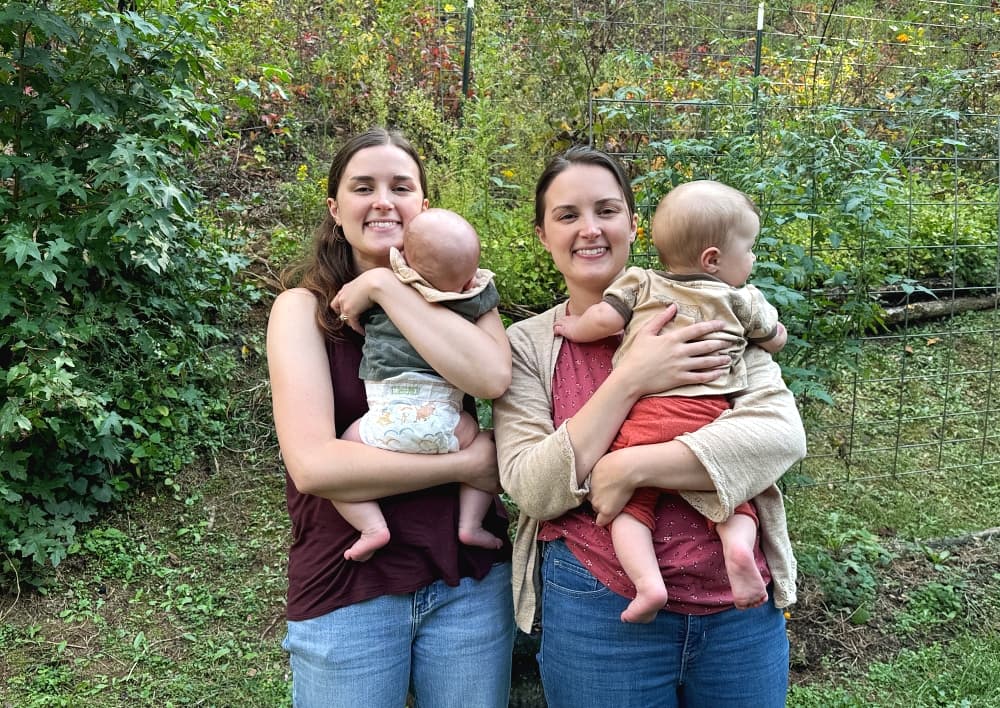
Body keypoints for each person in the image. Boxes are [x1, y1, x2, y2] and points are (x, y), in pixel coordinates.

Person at [493, 146, 806, 707]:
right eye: (567, 216)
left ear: (634, 226)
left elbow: (780, 436)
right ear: (542, 235)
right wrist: (631, 377)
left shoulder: (712, 314)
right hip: (599, 608)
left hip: (737, 613)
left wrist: (628, 466)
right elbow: (533, 489)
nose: (589, 229)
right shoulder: (527, 346)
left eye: (606, 210)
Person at [266, 128, 515, 707]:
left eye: (401, 187)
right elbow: (317, 469)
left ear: (423, 206)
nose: (383, 200)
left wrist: (382, 283)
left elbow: (491, 378)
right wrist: (467, 463)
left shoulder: (463, 293)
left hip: (467, 583)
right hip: (347, 585)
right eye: (363, 187)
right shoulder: (302, 311)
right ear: (335, 209)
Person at [552, 179, 789, 622]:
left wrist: (573, 328)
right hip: (712, 417)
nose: (753, 259)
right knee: (733, 498)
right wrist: (775, 334)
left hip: (649, 420)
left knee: (628, 505)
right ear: (713, 259)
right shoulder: (740, 298)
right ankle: (737, 545)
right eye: (750, 249)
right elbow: (772, 337)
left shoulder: (641, 283)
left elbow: (603, 319)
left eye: (606, 211)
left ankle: (647, 584)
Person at [337, 207, 504, 561]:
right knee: (484, 438)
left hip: (384, 419)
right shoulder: (471, 298)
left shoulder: (390, 284)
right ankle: (470, 525)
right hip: (445, 420)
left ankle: (372, 526)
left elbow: (355, 318)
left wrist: (376, 283)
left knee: (340, 457)